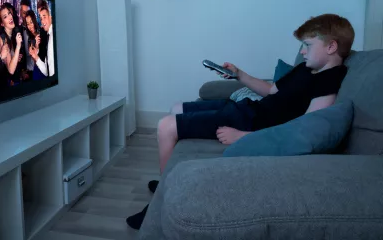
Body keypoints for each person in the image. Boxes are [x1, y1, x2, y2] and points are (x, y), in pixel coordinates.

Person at [125, 13, 355, 230]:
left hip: (250, 124)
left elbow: (304, 131)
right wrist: (239, 74)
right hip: (246, 110)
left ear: (331, 46)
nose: (303, 52)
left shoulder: (330, 80)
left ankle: (161, 202)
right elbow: (271, 90)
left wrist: (244, 137)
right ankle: (169, 180)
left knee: (165, 125)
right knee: (176, 107)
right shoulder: (305, 70)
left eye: (307, 45)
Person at [0, 2, 23, 84]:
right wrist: (18, 46)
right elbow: (11, 70)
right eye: (5, 17)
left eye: (9, 13)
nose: (10, 17)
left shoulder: (13, 33)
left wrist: (15, 56)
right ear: (2, 23)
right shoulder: (3, 39)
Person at [29, 3, 54, 77]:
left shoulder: (54, 34)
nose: (42, 21)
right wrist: (35, 56)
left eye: (44, 17)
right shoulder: (47, 35)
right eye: (41, 18)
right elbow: (47, 71)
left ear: (50, 17)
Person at [22, 10, 43, 80]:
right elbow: (31, 57)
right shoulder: (28, 36)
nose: (30, 26)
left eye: (31, 22)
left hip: (43, 68)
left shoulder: (41, 32)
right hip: (33, 70)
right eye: (28, 24)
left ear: (34, 20)